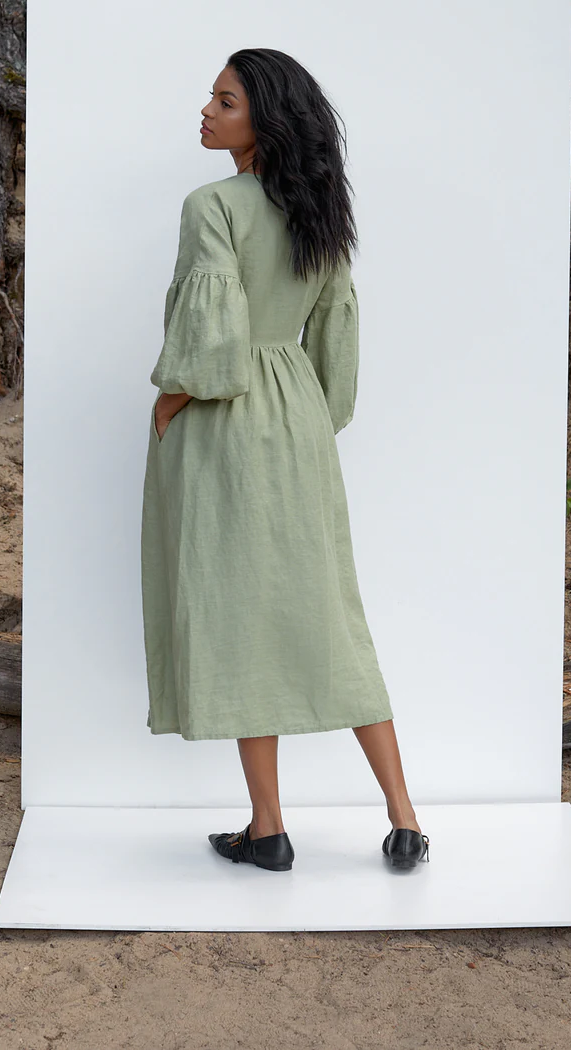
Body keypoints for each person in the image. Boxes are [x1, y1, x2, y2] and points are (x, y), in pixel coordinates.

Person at [140, 48, 427, 873]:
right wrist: (310, 418)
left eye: (225, 101)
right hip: (297, 420)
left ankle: (269, 830)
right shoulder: (320, 213)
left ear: (264, 121)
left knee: (241, 618)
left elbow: (212, 339)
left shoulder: (211, 205)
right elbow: (335, 331)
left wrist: (172, 400)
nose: (206, 110)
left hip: (224, 422)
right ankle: (404, 817)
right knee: (331, 612)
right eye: (212, 98)